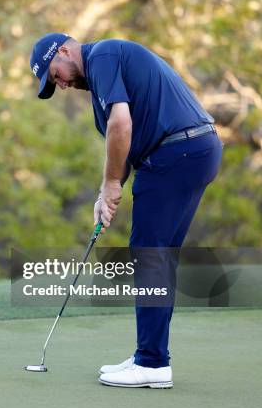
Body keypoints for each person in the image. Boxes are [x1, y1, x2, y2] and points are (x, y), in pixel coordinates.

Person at [30, 33, 223, 388]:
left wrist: (110, 184)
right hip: (191, 151)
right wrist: (105, 195)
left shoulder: (102, 56)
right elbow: (124, 143)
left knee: (150, 255)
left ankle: (152, 364)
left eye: (54, 74)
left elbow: (122, 124)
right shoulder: (102, 86)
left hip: (177, 152)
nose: (58, 84)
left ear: (65, 51)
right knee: (158, 255)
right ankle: (149, 356)